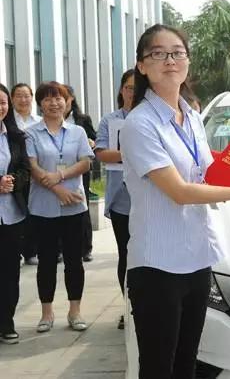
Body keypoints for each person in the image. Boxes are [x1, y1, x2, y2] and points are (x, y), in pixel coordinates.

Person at [120, 24, 230, 379]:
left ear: (187, 61)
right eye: (158, 54)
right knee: (158, 368)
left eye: (177, 52)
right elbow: (180, 191)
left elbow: (208, 173)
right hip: (158, 265)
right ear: (142, 66)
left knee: (186, 364)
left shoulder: (191, 116)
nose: (170, 60)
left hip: (197, 259)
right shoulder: (139, 124)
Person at [25, 81, 94, 333]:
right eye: (48, 99)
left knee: (74, 261)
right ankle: (47, 313)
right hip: (43, 208)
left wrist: (60, 176)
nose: (54, 103)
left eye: (59, 98)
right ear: (40, 104)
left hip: (74, 206)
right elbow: (33, 168)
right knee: (46, 262)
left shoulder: (77, 132)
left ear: (67, 102)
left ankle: (75, 311)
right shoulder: (31, 133)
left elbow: (86, 162)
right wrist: (58, 189)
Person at [95, 69, 134, 330]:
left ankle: (146, 306)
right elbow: (101, 153)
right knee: (126, 255)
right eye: (129, 87)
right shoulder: (110, 120)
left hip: (151, 199)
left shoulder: (153, 118)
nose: (133, 92)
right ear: (121, 90)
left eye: (138, 88)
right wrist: (132, 153)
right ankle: (128, 308)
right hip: (122, 200)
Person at [0, 83, 30, 344]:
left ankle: (7, 322)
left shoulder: (15, 136)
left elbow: (25, 169)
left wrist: (13, 181)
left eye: (2, 103)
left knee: (10, 272)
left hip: (11, 215)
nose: (0, 107)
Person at [64, 86, 97, 262]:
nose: (59, 102)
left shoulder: (82, 120)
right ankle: (61, 248)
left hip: (80, 168)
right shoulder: (49, 120)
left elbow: (95, 139)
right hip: (57, 169)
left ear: (71, 99)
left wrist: (91, 142)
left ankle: (85, 248)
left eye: (64, 97)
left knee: (82, 206)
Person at [11, 83, 40, 266]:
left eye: (26, 95)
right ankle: (18, 251)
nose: (23, 100)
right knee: (17, 212)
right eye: (19, 96)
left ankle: (31, 251)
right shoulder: (8, 122)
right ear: (12, 99)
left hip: (36, 174)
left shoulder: (39, 121)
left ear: (32, 98)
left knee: (33, 213)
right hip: (17, 173)